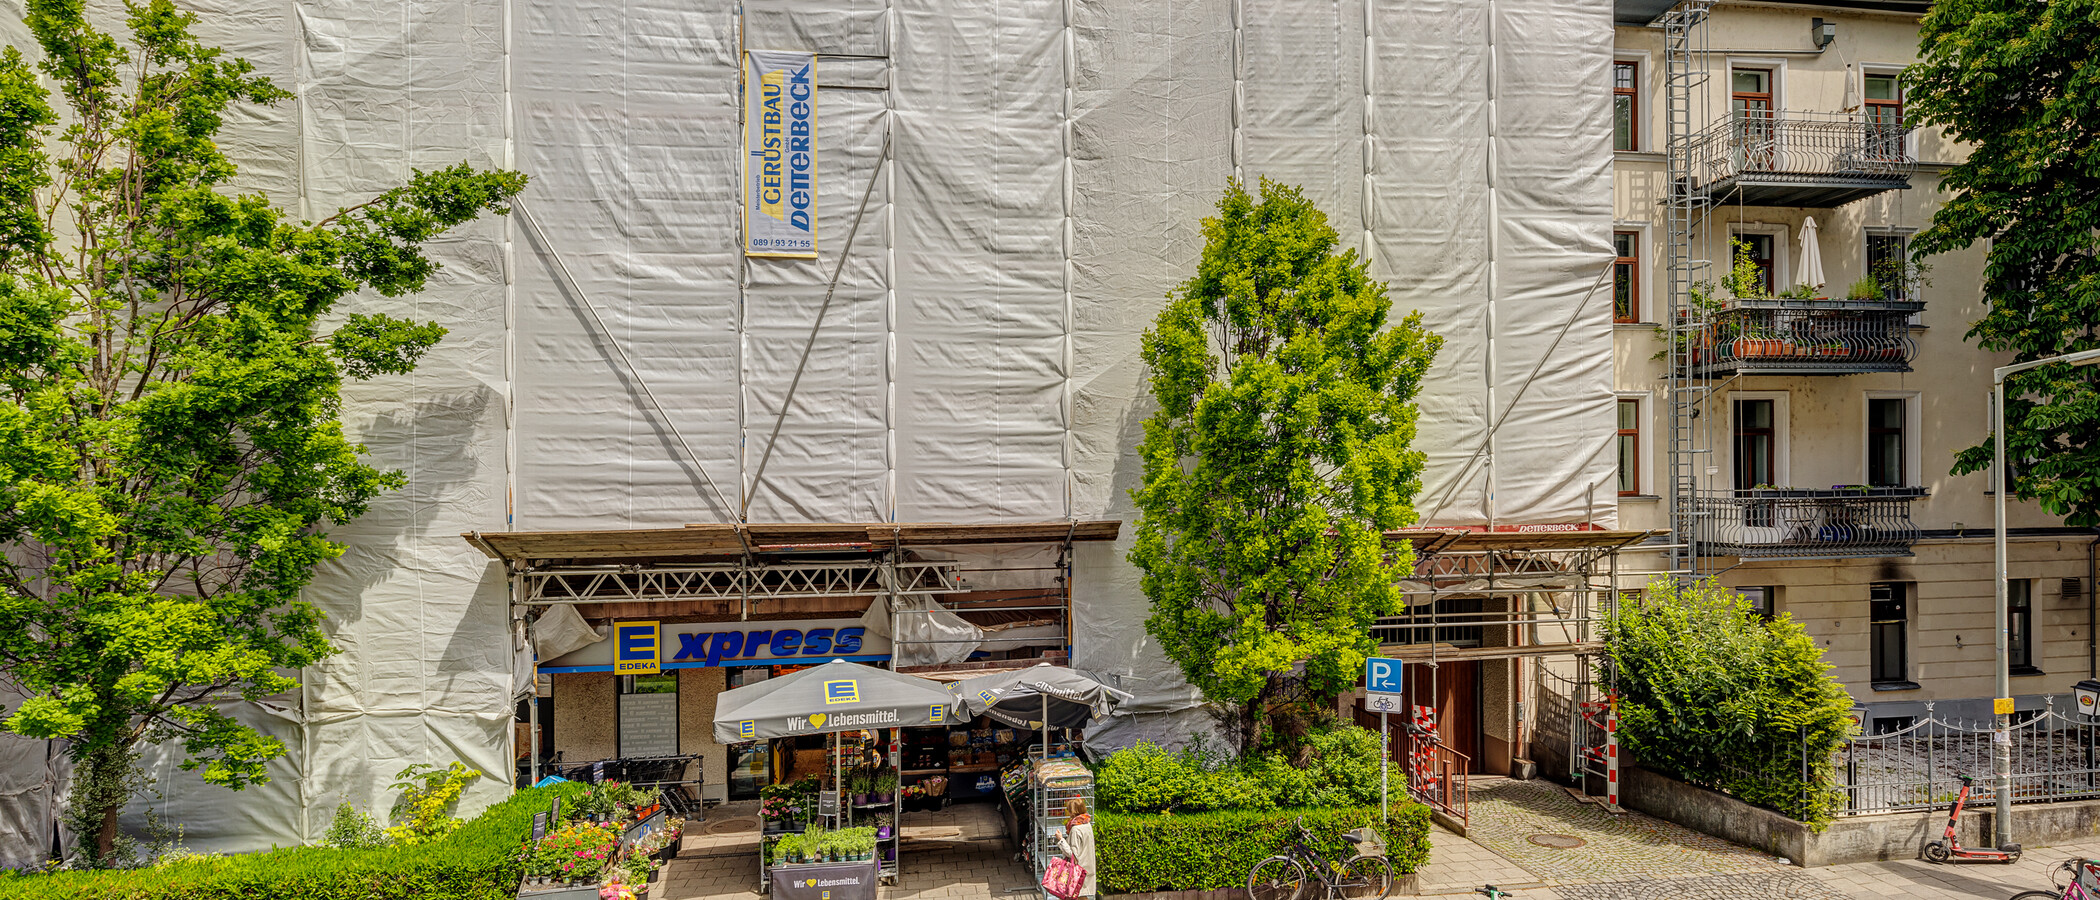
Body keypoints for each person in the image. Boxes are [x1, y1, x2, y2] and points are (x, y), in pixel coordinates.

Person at [1054, 796, 1095, 898]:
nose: (1067, 812)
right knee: (1080, 896)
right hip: (1086, 867)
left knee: (1072, 895)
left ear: (1073, 812)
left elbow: (1072, 854)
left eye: (1068, 810)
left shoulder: (1075, 829)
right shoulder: (1087, 824)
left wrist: (1060, 839)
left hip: (1077, 871)